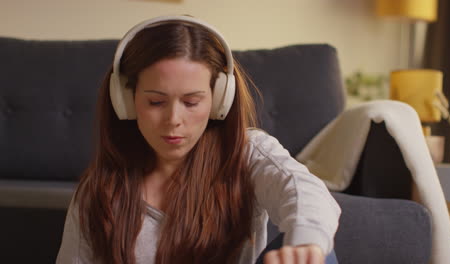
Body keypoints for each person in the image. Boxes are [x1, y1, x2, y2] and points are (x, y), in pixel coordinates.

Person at [56, 15, 341, 264]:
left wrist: (307, 242)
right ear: (125, 101)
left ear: (219, 101)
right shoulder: (98, 191)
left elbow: (304, 191)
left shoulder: (247, 152)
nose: (173, 120)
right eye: (156, 102)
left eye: (191, 102)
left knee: (318, 256)